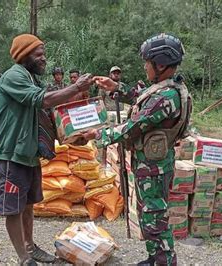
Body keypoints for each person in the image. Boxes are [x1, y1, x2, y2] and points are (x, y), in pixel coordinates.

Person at [85, 33, 192, 266]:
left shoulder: (167, 96)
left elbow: (133, 126)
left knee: (154, 215)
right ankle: (155, 257)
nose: (145, 67)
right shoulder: (164, 88)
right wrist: (116, 87)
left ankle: (164, 261)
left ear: (161, 64)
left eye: (147, 62)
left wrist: (98, 135)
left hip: (154, 167)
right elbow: (141, 96)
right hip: (150, 164)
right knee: (148, 213)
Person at [0, 33, 94, 265]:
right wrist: (76, 87)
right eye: (39, 54)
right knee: (13, 208)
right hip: (13, 153)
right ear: (24, 55)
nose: (44, 59)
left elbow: (49, 117)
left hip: (29, 153)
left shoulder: (30, 78)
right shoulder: (13, 76)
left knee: (28, 204)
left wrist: (75, 137)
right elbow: (44, 101)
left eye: (44, 54)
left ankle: (30, 247)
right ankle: (23, 258)